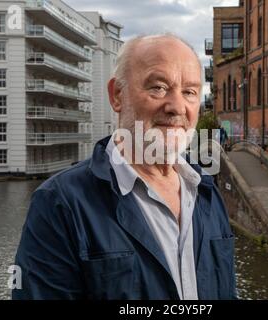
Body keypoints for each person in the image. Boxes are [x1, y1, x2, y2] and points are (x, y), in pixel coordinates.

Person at [12, 34, 236, 300]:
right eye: (158, 87)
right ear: (118, 95)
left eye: (189, 92)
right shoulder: (60, 203)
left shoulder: (206, 191)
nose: (177, 107)